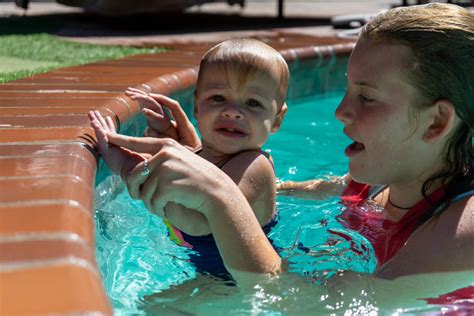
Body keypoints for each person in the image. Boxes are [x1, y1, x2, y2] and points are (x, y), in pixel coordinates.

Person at [115, 3, 473, 290]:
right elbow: (295, 191)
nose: (340, 111)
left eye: (366, 97)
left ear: (437, 122)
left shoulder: (461, 231)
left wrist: (219, 196)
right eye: (347, 90)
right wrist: (205, 158)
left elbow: (296, 307)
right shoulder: (377, 183)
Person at [90, 38, 289, 278]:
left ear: (277, 120)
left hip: (234, 280)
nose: (233, 111)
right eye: (218, 98)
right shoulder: (197, 155)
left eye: (253, 103)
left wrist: (127, 166)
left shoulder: (255, 165)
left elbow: (199, 222)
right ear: (196, 106)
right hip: (208, 269)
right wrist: (170, 151)